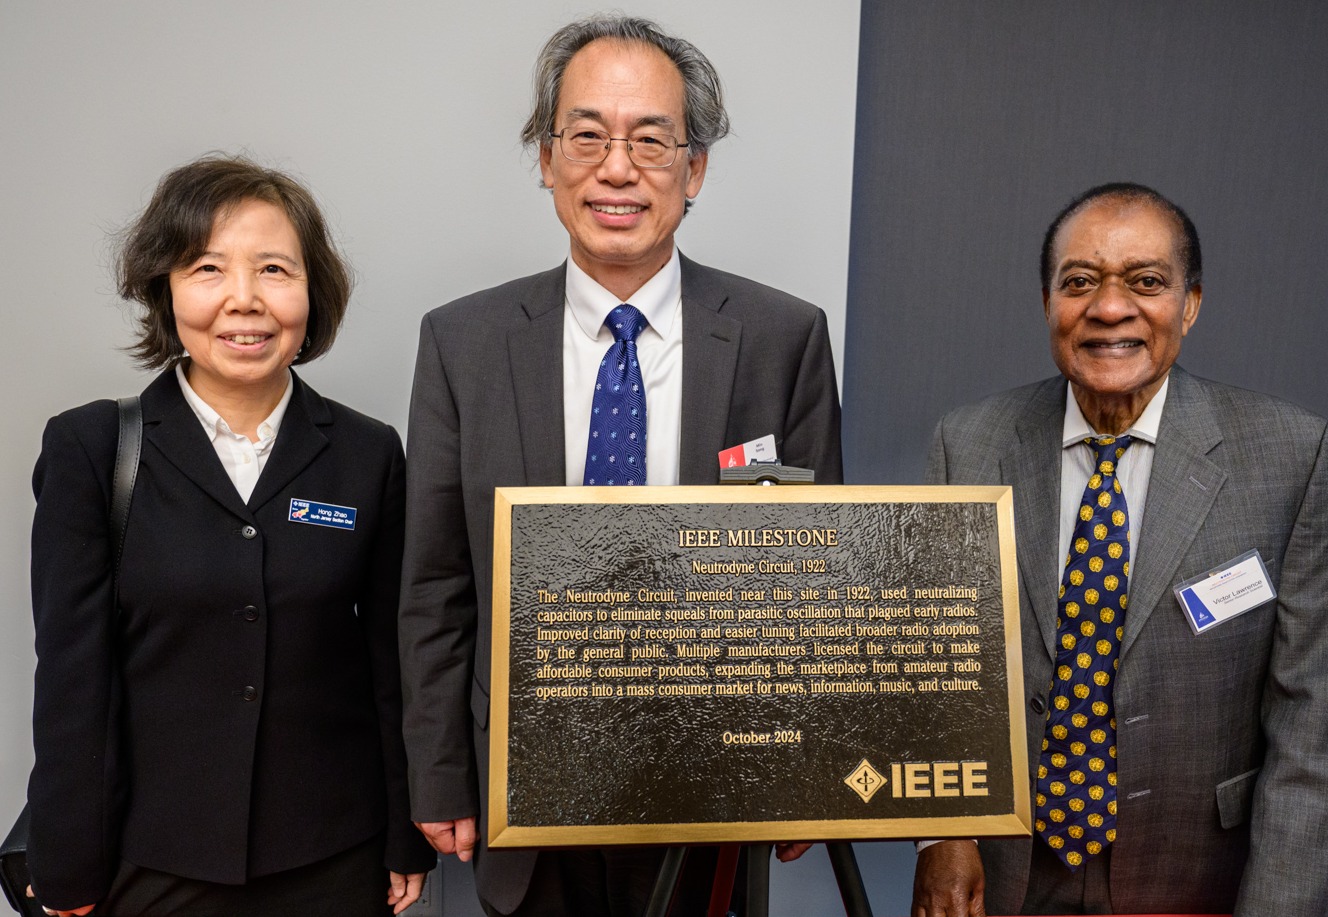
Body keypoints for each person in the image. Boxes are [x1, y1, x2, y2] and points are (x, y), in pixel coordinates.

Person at [397, 14, 843, 916]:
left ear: (695, 169)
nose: (616, 166)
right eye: (587, 134)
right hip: (521, 783)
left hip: (714, 785)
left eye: (651, 139)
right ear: (544, 156)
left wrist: (808, 774)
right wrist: (440, 773)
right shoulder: (463, 343)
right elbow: (437, 581)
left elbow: (812, 585)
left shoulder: (781, 339)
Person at [919, 182, 1328, 915]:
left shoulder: (1292, 457)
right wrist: (940, 836)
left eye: (1146, 282)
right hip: (1003, 879)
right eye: (1079, 282)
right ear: (1046, 303)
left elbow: (1313, 735)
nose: (1108, 308)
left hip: (1197, 877)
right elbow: (937, 676)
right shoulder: (966, 444)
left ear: (1189, 303)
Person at [26, 155, 434, 917]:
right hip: (151, 856)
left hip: (333, 854)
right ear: (165, 290)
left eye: (274, 269)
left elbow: (392, 662)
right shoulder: (92, 449)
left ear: (313, 291)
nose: (244, 300)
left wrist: (403, 834)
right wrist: (67, 861)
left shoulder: (366, 452)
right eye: (207, 267)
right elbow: (71, 675)